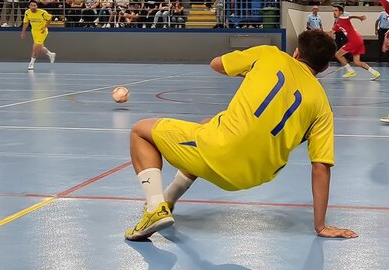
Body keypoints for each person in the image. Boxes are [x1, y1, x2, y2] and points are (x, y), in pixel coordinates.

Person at [122, 31, 356, 241]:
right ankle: (169, 200)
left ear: (296, 52)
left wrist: (248, 71)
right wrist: (320, 226)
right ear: (325, 67)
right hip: (254, 177)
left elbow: (216, 64)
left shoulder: (269, 54)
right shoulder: (323, 106)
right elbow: (321, 166)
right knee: (206, 125)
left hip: (219, 152)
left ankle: (154, 208)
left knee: (141, 131)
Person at [328, 5, 380, 80]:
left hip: (354, 40)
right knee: (357, 62)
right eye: (333, 11)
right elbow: (331, 32)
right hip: (358, 40)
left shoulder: (343, 17)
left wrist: (359, 18)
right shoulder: (338, 23)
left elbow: (350, 17)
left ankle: (350, 71)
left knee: (337, 54)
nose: (334, 12)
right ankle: (375, 73)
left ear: (341, 12)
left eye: (335, 11)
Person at [21, 0, 56, 70]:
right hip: (34, 31)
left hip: (42, 32)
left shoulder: (42, 13)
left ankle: (31, 63)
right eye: (32, 5)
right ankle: (50, 54)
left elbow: (49, 18)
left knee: (35, 47)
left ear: (37, 6)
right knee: (40, 47)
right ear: (29, 6)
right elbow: (26, 22)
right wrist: (23, 32)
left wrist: (44, 27)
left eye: (35, 5)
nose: (33, 7)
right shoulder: (27, 13)